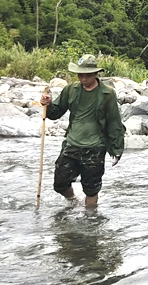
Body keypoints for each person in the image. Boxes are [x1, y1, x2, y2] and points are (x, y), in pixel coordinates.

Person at [40, 54, 125, 207]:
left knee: (91, 189)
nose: (83, 78)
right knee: (59, 183)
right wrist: (48, 104)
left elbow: (114, 122)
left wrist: (117, 148)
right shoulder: (71, 90)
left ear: (95, 74)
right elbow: (55, 113)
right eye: (80, 75)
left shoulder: (107, 94)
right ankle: (73, 201)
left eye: (87, 75)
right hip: (71, 144)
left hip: (95, 147)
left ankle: (91, 221)